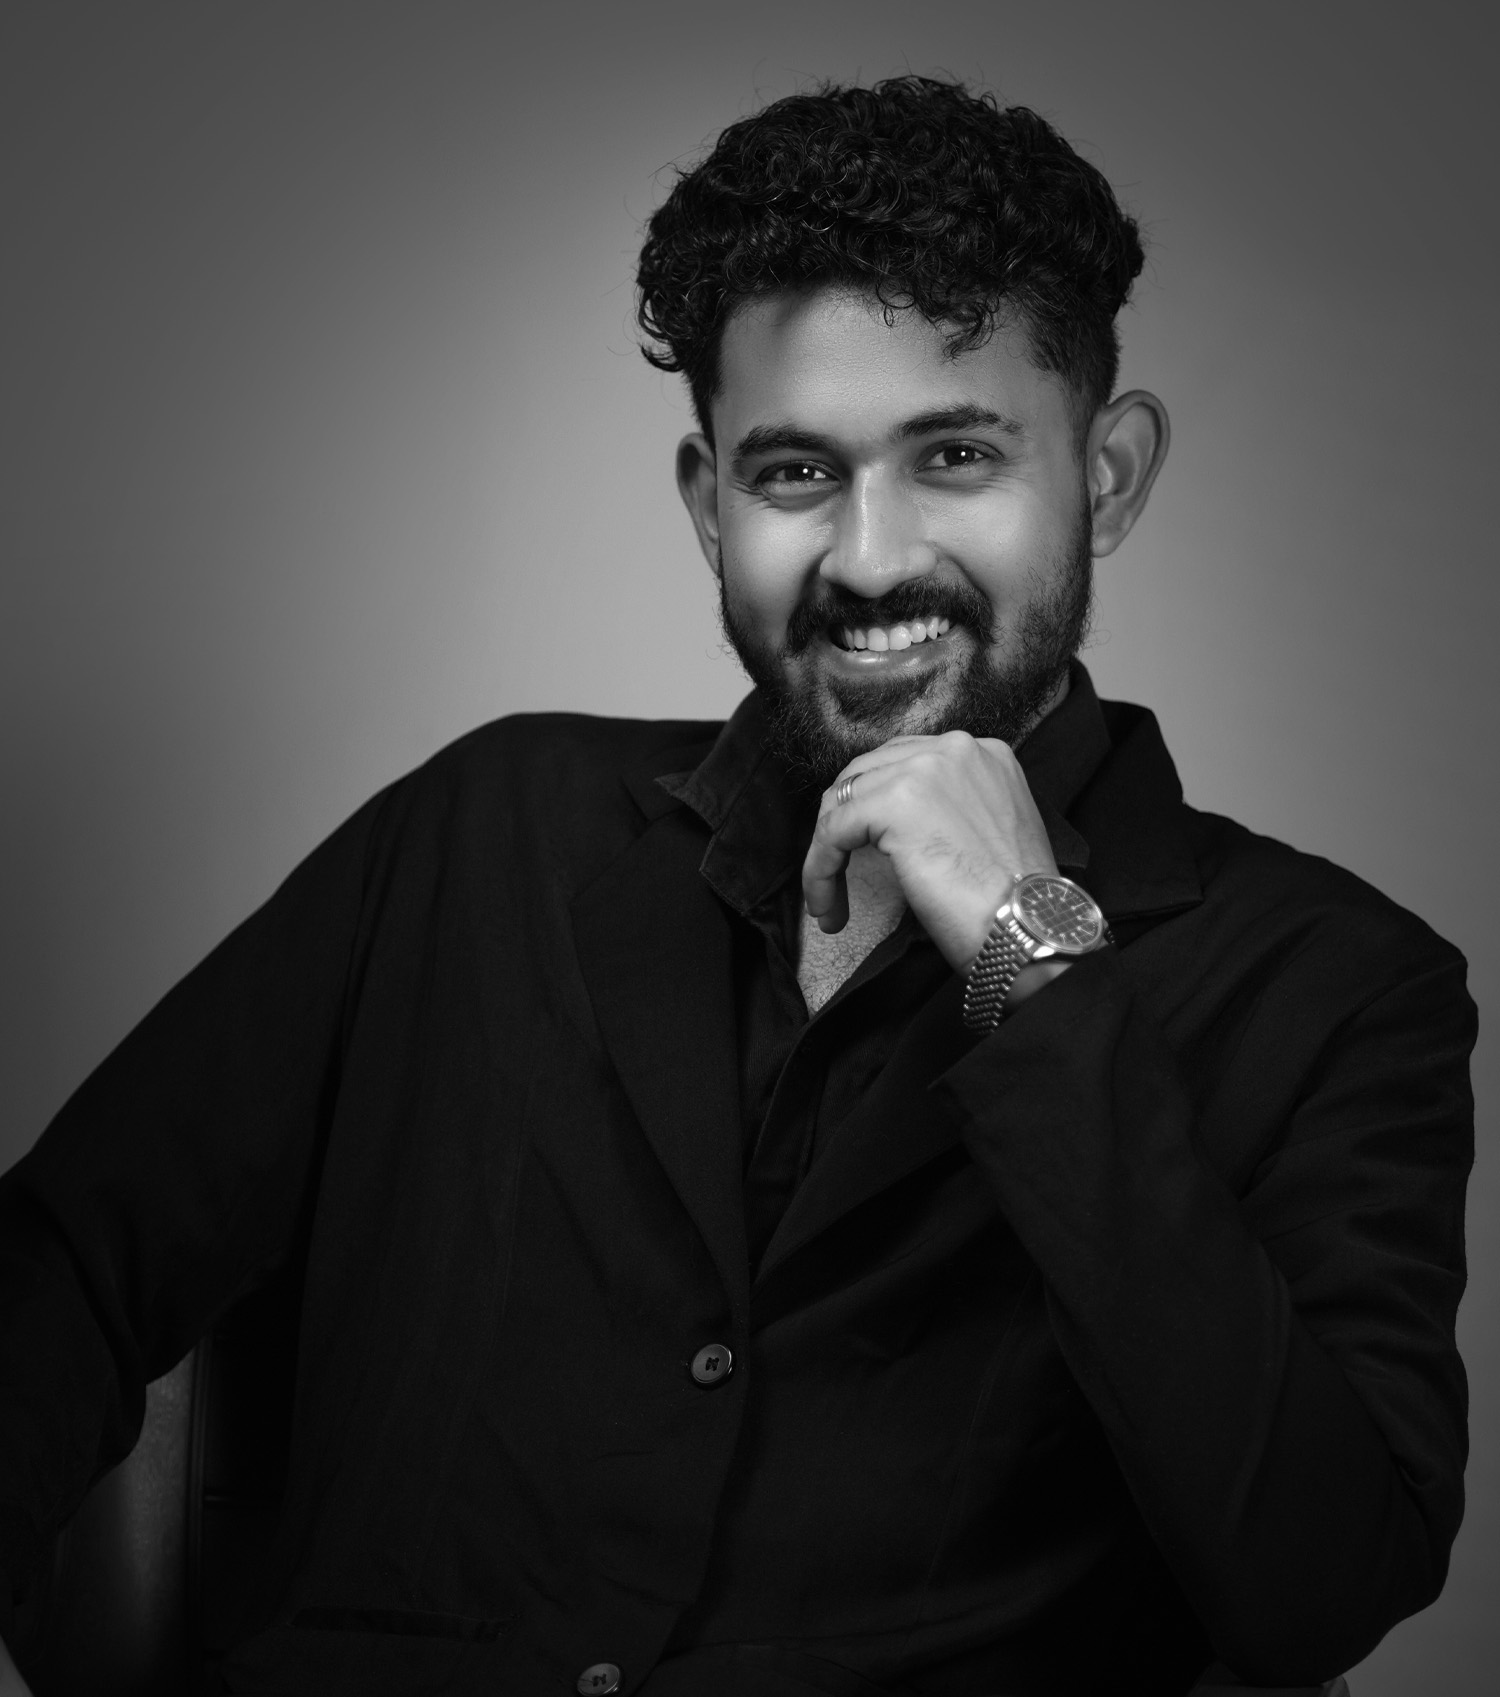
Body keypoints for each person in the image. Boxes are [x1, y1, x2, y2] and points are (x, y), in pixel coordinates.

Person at [0, 77, 1475, 1697]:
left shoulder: (1335, 984)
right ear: (710, 504)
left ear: (1108, 475)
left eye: (957, 454)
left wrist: (1033, 957)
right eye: (793, 474)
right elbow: (63, 1262)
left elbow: (1318, 1582)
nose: (870, 555)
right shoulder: (486, 829)